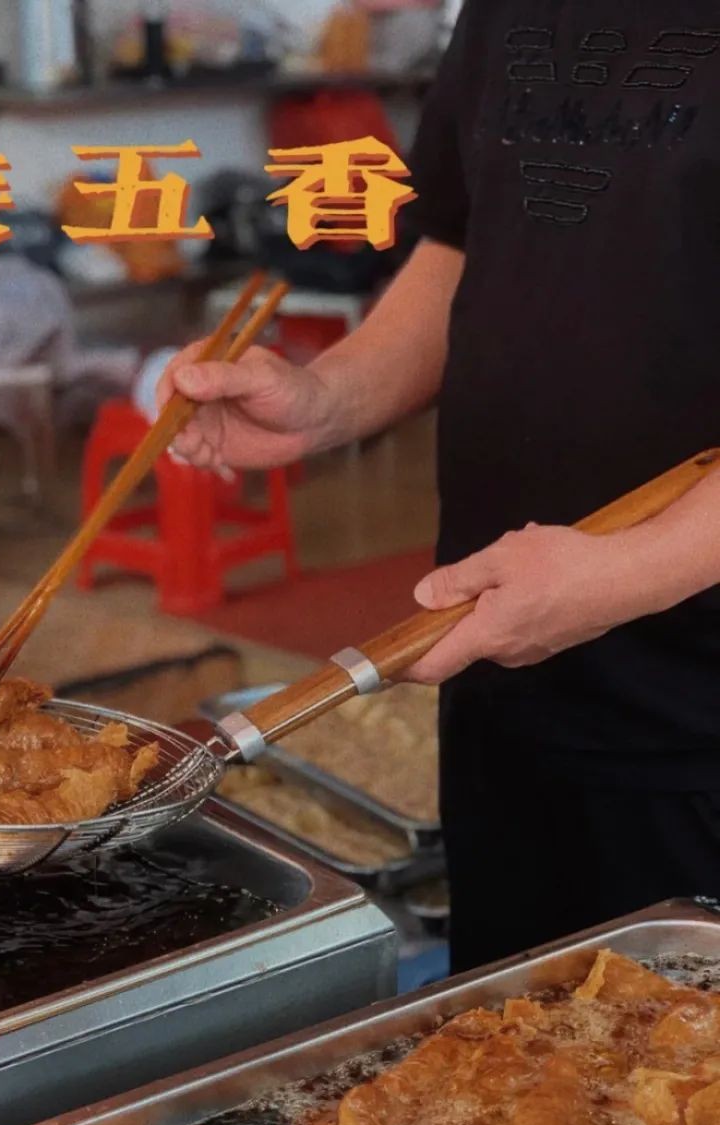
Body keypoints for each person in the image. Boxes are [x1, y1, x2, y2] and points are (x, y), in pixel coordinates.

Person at [157, 1, 720, 970]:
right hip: (500, 675)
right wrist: (324, 398)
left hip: (697, 716)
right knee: (497, 1073)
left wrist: (625, 572)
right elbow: (460, 244)